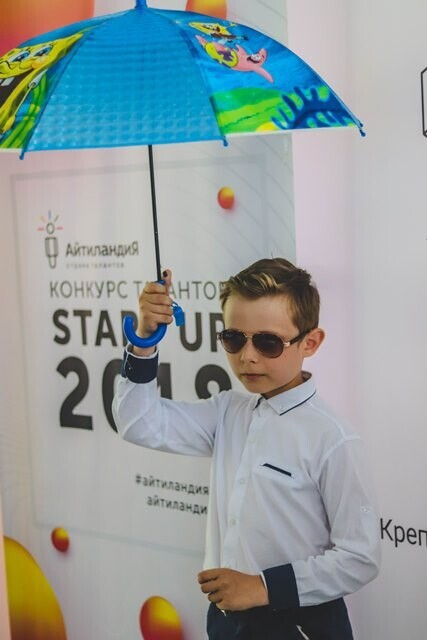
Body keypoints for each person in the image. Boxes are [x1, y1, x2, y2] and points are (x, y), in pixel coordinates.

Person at [112, 258, 381, 640]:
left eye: (268, 342)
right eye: (234, 339)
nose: (247, 356)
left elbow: (360, 556)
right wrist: (144, 339)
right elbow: (138, 423)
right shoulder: (228, 411)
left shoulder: (332, 438)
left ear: (310, 342)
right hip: (226, 620)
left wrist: (263, 587)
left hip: (301, 624)